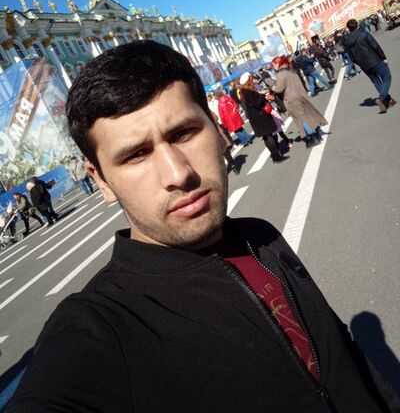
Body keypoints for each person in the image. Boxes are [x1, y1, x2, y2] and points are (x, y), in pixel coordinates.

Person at [6, 41, 399, 412]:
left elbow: (341, 351)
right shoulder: (99, 328)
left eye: (184, 133)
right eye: (136, 155)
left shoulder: (260, 235)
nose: (178, 173)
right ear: (102, 181)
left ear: (216, 129)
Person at [271, 56, 328, 148]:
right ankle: (317, 135)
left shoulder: (280, 74)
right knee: (308, 115)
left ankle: (313, 138)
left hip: (291, 99)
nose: (273, 67)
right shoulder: (290, 69)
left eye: (273, 65)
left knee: (301, 120)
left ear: (278, 64)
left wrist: (272, 87)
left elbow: (279, 89)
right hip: (300, 95)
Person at [341, 19, 396, 113]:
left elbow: (352, 57)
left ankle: (389, 101)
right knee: (387, 77)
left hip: (364, 65)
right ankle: (382, 97)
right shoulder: (363, 33)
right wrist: (383, 57)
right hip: (375, 60)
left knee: (376, 82)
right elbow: (375, 46)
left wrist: (359, 63)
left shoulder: (347, 41)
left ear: (348, 28)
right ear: (357, 25)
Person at [239, 72, 289, 163]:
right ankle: (276, 156)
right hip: (260, 117)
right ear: (248, 80)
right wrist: (264, 96)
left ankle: (275, 155)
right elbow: (257, 102)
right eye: (251, 78)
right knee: (269, 136)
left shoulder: (243, 91)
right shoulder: (247, 91)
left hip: (256, 117)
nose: (252, 79)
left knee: (267, 137)